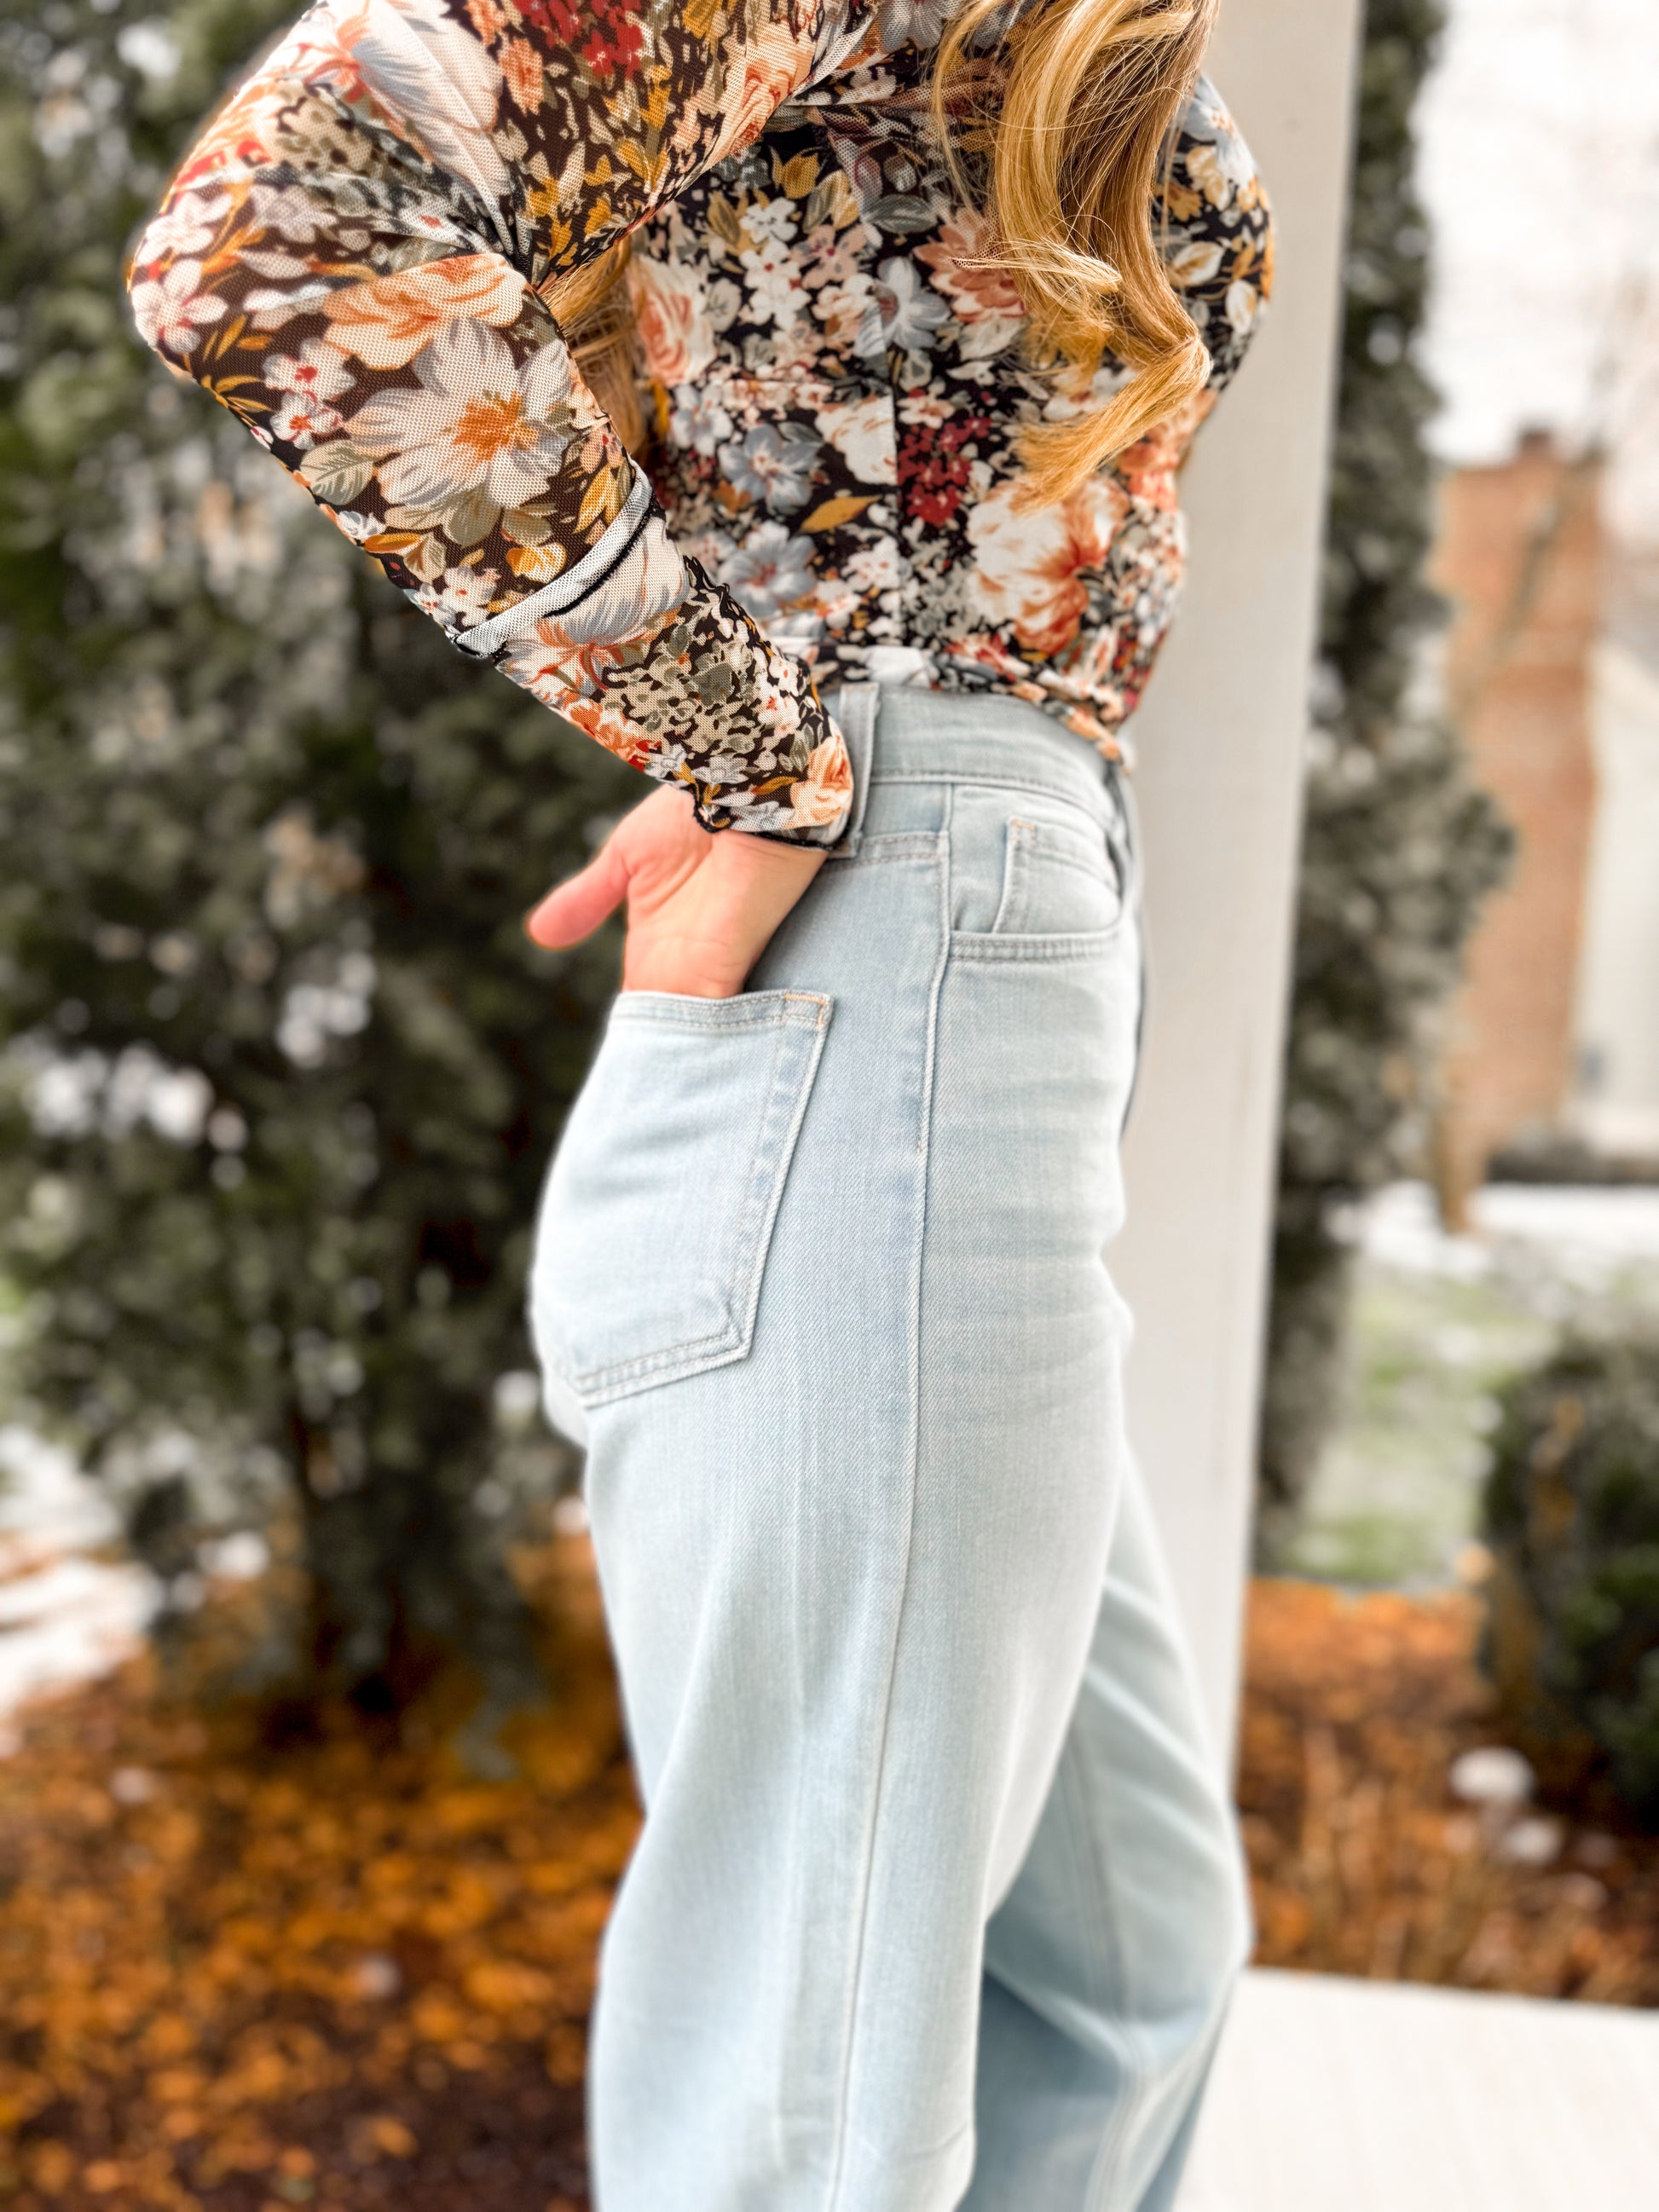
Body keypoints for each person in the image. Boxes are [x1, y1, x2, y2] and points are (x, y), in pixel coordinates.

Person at [130, 0, 1273, 2202]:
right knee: (805, 2118)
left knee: (1122, 1972)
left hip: (957, 1011)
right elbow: (276, 223)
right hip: (898, 986)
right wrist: (743, 731)